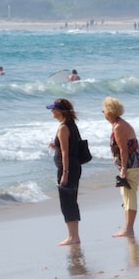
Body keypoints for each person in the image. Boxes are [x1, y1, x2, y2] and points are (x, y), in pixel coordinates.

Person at [102, 97, 139, 237]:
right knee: (127, 195)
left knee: (129, 196)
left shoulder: (118, 127)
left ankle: (128, 229)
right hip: (136, 164)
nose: (103, 112)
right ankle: (128, 228)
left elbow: (124, 149)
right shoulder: (119, 124)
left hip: (132, 166)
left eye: (104, 110)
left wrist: (123, 168)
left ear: (109, 112)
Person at [47, 98, 84, 245]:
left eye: (53, 109)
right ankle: (74, 236)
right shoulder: (71, 125)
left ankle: (72, 237)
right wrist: (55, 145)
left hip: (67, 169)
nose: (51, 111)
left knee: (67, 202)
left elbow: (65, 153)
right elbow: (69, 147)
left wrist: (65, 173)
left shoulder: (63, 128)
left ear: (60, 111)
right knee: (71, 201)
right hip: (75, 166)